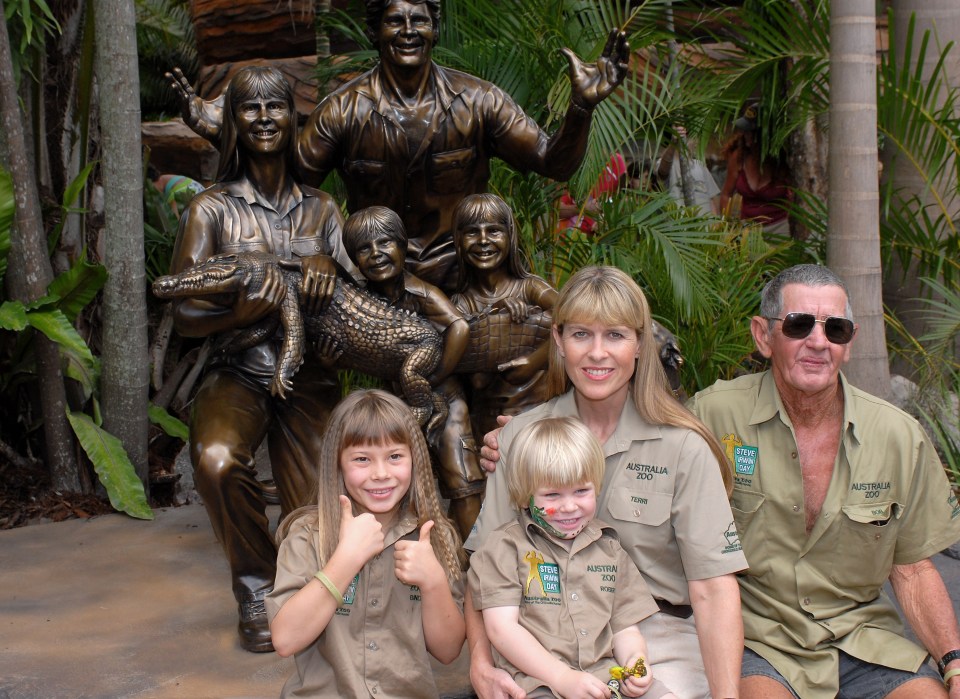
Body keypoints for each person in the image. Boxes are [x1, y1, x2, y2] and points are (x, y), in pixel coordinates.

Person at [168, 0, 630, 289]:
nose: (408, 29)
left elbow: (552, 162)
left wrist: (582, 108)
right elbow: (290, 183)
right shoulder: (343, 109)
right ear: (376, 31)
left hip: (469, 271)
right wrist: (224, 130)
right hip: (379, 278)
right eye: (395, 20)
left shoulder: (480, 99)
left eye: (419, 19)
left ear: (434, 29)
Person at [466, 266, 747, 699]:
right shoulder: (523, 437)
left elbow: (713, 588)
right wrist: (481, 665)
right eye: (581, 334)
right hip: (539, 636)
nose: (597, 353)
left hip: (656, 634)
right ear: (558, 341)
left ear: (640, 344)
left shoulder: (684, 447)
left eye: (615, 335)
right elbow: (485, 567)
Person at [688, 264, 960, 699]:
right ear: (763, 336)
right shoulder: (712, 417)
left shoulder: (897, 436)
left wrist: (953, 663)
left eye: (835, 329)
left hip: (866, 642)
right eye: (798, 325)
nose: (818, 342)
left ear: (848, 342)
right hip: (761, 642)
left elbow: (912, 570)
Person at [168, 66, 359, 652]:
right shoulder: (212, 210)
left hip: (311, 376)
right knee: (218, 459)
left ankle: (312, 591)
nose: (263, 118)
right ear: (232, 122)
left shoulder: (324, 210)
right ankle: (255, 585)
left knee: (320, 507)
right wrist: (242, 314)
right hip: (238, 370)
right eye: (248, 108)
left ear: (292, 116)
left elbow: (357, 302)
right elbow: (184, 314)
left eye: (275, 106)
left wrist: (331, 273)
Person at [267, 389, 465, 698]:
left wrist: (434, 582)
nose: (381, 474)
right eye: (362, 459)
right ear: (338, 464)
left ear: (415, 460)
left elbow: (449, 650)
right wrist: (345, 560)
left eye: (395, 456)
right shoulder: (307, 536)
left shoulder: (433, 537)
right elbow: (285, 639)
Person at [468, 416, 676, 699]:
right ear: (523, 495)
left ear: (597, 487)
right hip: (537, 684)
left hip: (606, 679)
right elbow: (502, 630)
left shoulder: (610, 549)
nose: (569, 506)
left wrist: (636, 661)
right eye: (552, 495)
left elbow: (625, 628)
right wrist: (562, 678)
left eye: (581, 490)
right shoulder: (505, 548)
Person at [339, 205, 484, 539]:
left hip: (445, 398)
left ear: (403, 247)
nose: (376, 254)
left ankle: (477, 561)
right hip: (396, 403)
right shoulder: (359, 297)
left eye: (385, 243)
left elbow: (459, 326)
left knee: (461, 475)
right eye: (364, 249)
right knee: (396, 481)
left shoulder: (420, 292)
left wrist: (433, 375)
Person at [450, 193, 558, 437]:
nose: (483, 240)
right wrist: (493, 318)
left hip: (544, 416)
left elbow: (577, 318)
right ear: (458, 239)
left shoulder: (530, 288)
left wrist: (535, 360)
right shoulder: (460, 305)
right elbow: (477, 381)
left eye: (494, 230)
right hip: (492, 424)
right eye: (472, 232)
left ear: (510, 236)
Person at [718, 103, 791, 234]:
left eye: (751, 132)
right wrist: (727, 226)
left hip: (779, 226)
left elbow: (794, 196)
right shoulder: (739, 157)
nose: (746, 135)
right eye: (745, 130)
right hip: (748, 228)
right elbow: (725, 195)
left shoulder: (781, 160)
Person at [655, 125, 720, 218]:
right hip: (682, 228)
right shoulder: (668, 163)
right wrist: (673, 143)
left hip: (707, 228)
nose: (697, 142)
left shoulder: (700, 165)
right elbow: (663, 171)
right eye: (693, 138)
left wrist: (716, 220)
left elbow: (712, 198)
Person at [556, 152, 628, 234]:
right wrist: (583, 209)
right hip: (565, 237)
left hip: (591, 240)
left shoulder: (616, 160)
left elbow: (622, 191)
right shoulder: (574, 166)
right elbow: (557, 210)